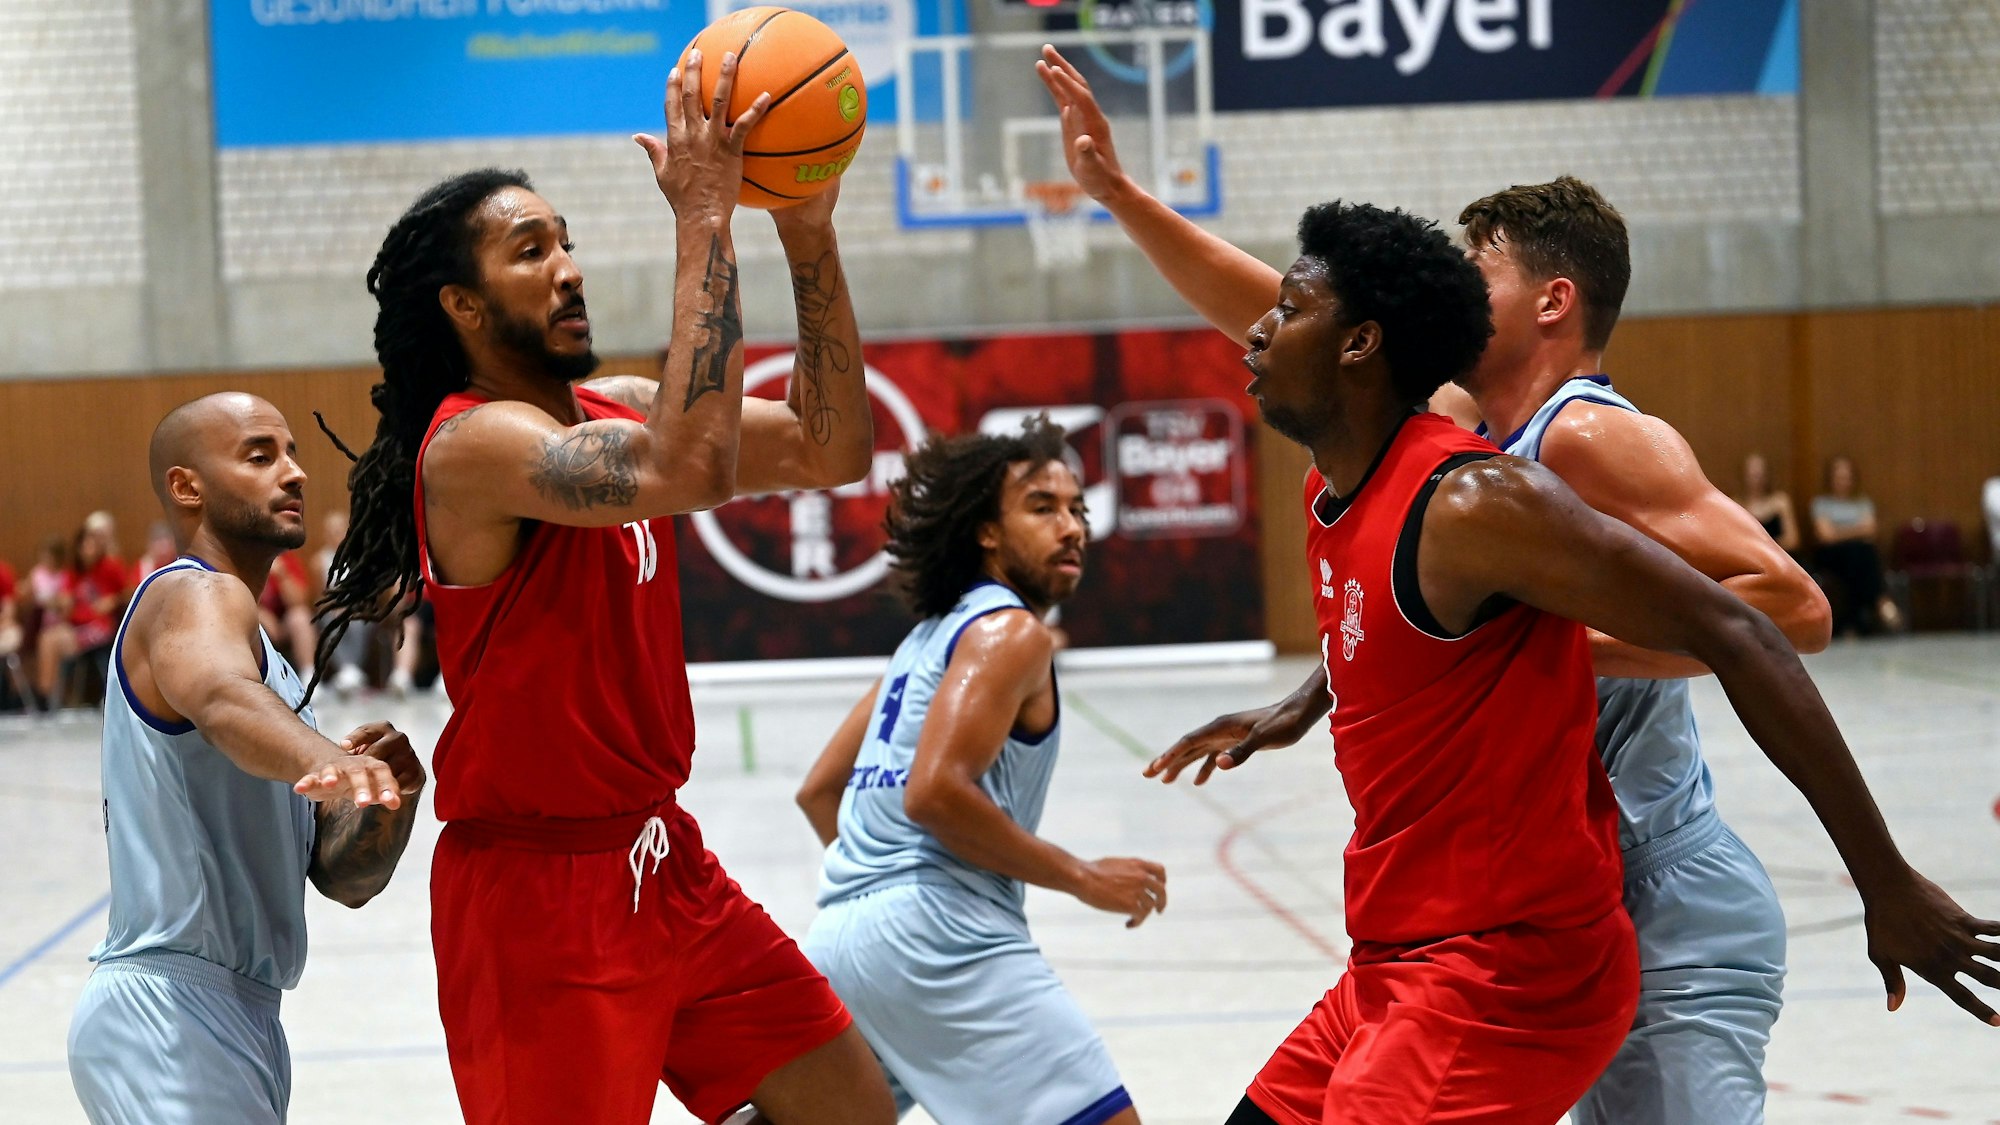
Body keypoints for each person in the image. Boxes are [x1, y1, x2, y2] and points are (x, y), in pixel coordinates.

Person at [1037, 55, 1998, 1121]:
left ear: (1550, 300)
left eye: (1473, 272)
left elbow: (1792, 613)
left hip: (1651, 887)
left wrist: (1543, 648)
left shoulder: (1583, 440)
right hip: (1527, 891)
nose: (1447, 288)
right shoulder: (1447, 430)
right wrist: (1121, 198)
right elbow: (1282, 319)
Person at [311, 53, 895, 1125]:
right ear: (464, 307)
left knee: (852, 1106)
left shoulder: (613, 406)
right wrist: (705, 220)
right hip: (537, 900)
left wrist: (804, 230)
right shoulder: (473, 447)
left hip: (662, 858)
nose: (568, 267)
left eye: (567, 242)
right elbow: (689, 470)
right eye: (530, 251)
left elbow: (830, 446)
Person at [67, 392, 425, 1125]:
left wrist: (386, 803)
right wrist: (327, 754)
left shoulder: (270, 665)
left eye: (293, 453)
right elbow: (222, 698)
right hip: (171, 1010)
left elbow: (342, 879)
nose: (293, 473)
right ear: (187, 485)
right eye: (260, 455)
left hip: (241, 1015)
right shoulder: (189, 594)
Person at [795, 418, 1162, 1125]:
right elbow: (934, 792)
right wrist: (1086, 878)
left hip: (842, 939)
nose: (1073, 526)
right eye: (1043, 507)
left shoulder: (925, 638)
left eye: (1079, 509)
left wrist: (878, 888)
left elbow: (819, 791)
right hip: (939, 935)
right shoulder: (1010, 630)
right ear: (987, 532)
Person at [1813, 454, 1898, 635]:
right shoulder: (1822, 503)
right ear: (1831, 478)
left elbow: (1872, 530)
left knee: (1859, 556)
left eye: (1847, 477)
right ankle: (1880, 601)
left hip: (1857, 557)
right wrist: (1856, 531)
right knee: (1858, 552)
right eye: (1839, 477)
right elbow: (1825, 536)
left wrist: (1839, 532)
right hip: (1831, 556)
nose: (1843, 481)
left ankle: (1850, 624)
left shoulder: (1862, 503)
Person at [1739, 452, 1801, 554]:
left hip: (1781, 557)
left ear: (1767, 475)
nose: (1756, 480)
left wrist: (1766, 550)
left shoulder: (1780, 501)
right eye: (1752, 475)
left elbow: (1792, 540)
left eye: (1759, 475)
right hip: (1748, 560)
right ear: (1744, 476)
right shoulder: (1736, 505)